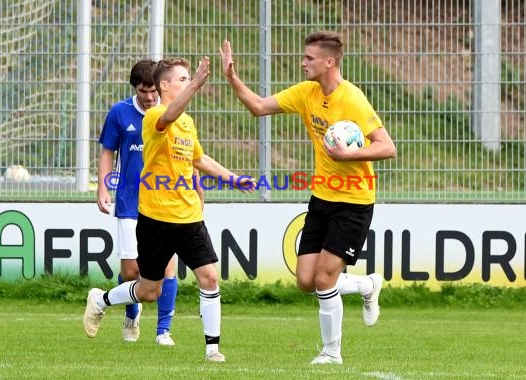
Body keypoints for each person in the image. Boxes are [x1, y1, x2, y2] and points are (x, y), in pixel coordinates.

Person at [220, 31, 396, 364]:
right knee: (306, 280)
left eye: (309, 58)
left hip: (354, 202)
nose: (303, 63)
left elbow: (387, 147)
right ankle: (367, 285)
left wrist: (348, 156)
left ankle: (332, 353)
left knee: (324, 278)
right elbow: (258, 107)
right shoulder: (306, 93)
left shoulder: (353, 99)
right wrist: (232, 77)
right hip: (321, 198)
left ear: (330, 62)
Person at [85, 56, 255, 362]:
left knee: (209, 278)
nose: (188, 82)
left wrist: (233, 179)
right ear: (165, 85)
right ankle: (102, 300)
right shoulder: (154, 117)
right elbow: (169, 115)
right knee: (150, 290)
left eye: (188, 78)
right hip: (156, 219)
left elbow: (199, 160)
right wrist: (197, 84)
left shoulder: (188, 122)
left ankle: (212, 349)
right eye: (182, 79)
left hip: (189, 216)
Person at [97, 59, 201, 345]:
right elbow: (108, 151)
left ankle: (163, 330)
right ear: (136, 88)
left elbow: (188, 156)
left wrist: (196, 185)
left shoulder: (172, 115)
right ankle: (132, 314)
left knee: (169, 266)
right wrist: (103, 188)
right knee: (132, 271)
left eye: (153, 90)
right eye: (144, 91)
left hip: (165, 202)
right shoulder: (120, 112)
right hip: (131, 202)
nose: (150, 95)